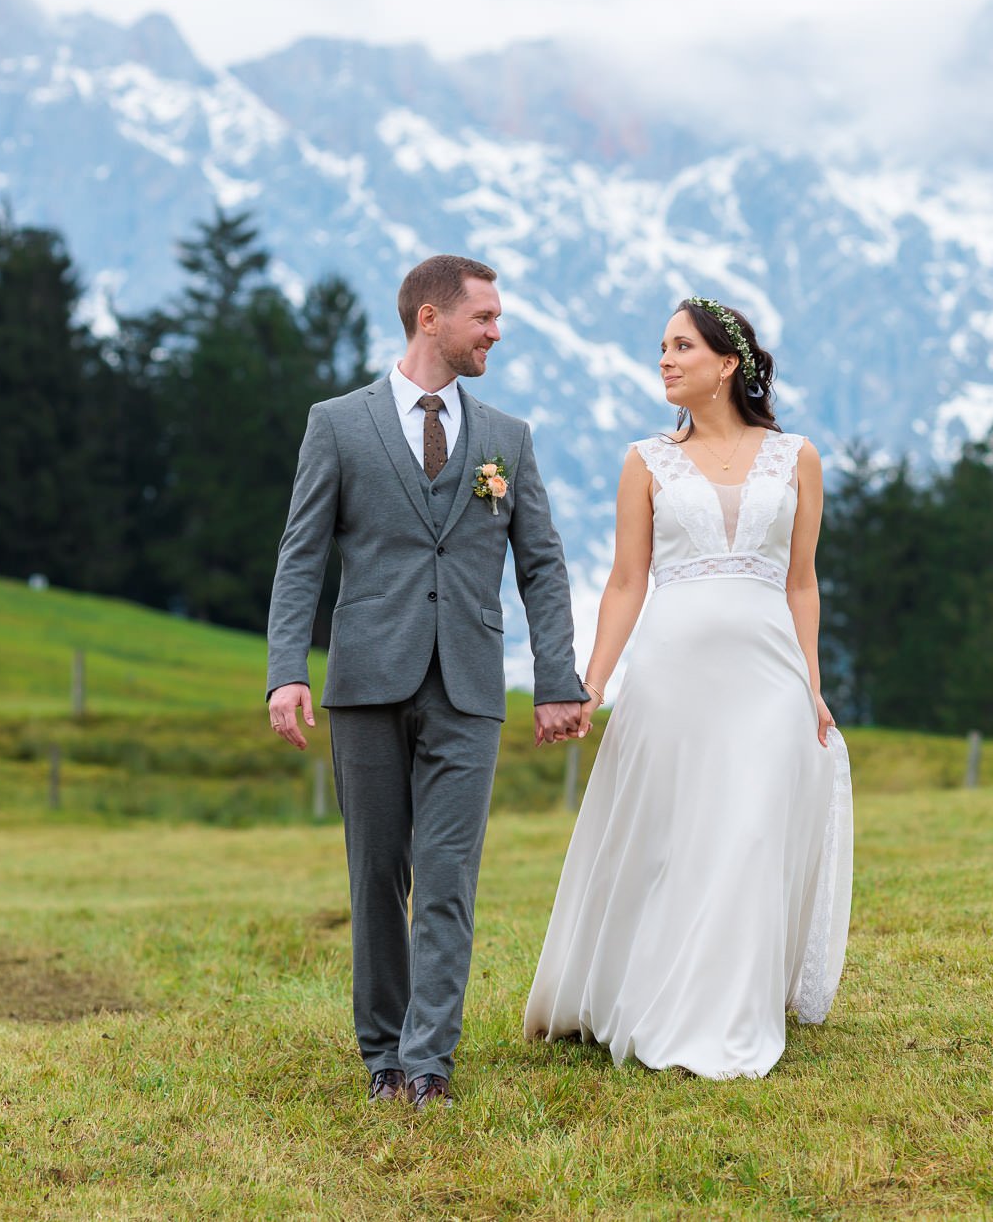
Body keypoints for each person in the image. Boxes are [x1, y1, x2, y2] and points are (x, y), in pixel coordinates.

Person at [264, 254, 590, 1110]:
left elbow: (544, 567)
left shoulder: (507, 439)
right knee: (377, 873)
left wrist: (558, 678)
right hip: (366, 679)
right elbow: (301, 558)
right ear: (430, 320)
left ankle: (428, 1065)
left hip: (470, 685)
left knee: (449, 875)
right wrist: (284, 672)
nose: (496, 332)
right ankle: (381, 1054)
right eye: (484, 317)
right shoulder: (337, 424)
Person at [524, 296, 852, 1079]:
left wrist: (812, 680)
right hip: (671, 673)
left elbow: (802, 583)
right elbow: (627, 581)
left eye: (681, 346)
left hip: (770, 674)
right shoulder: (646, 460)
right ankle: (651, 992)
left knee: (749, 832)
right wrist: (594, 681)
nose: (664, 359)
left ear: (727, 362)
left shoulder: (796, 456)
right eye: (661, 347)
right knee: (674, 838)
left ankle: (729, 1011)